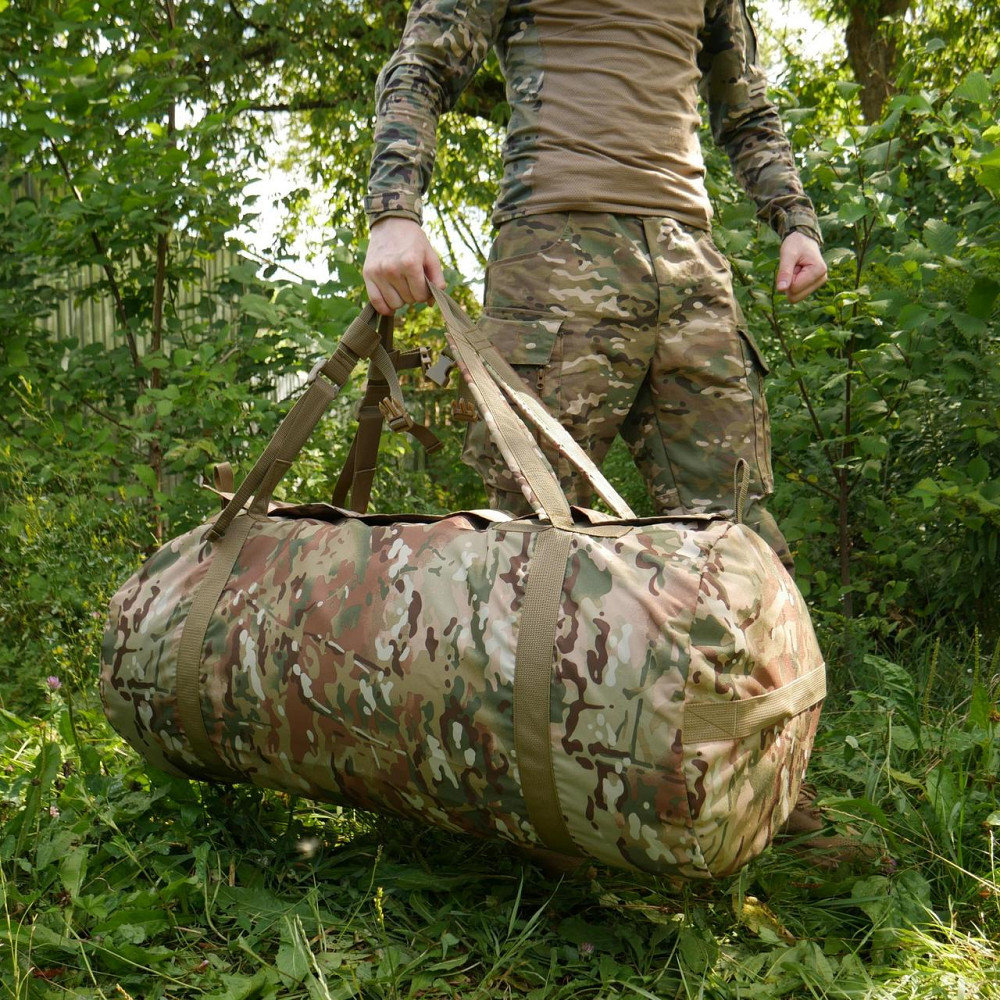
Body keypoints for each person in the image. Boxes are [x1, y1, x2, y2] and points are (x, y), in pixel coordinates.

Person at [361, 0, 827, 571]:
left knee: (735, 538)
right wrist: (393, 210)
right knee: (529, 542)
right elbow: (423, 65)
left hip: (690, 263)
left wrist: (794, 219)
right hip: (555, 256)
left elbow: (745, 106)